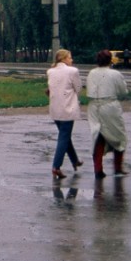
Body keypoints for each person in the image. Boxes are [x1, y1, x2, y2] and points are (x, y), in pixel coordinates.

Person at [87, 48, 129, 178]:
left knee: (98, 136)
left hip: (93, 106)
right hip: (110, 105)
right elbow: (123, 92)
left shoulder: (91, 73)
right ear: (110, 60)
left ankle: (98, 169)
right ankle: (118, 168)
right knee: (119, 136)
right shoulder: (115, 74)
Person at [47, 48, 83, 180]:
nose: (71, 60)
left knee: (65, 136)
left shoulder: (50, 71)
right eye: (70, 57)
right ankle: (56, 167)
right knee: (63, 138)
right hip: (68, 109)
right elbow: (78, 88)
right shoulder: (73, 71)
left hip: (55, 109)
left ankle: (75, 161)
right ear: (63, 59)